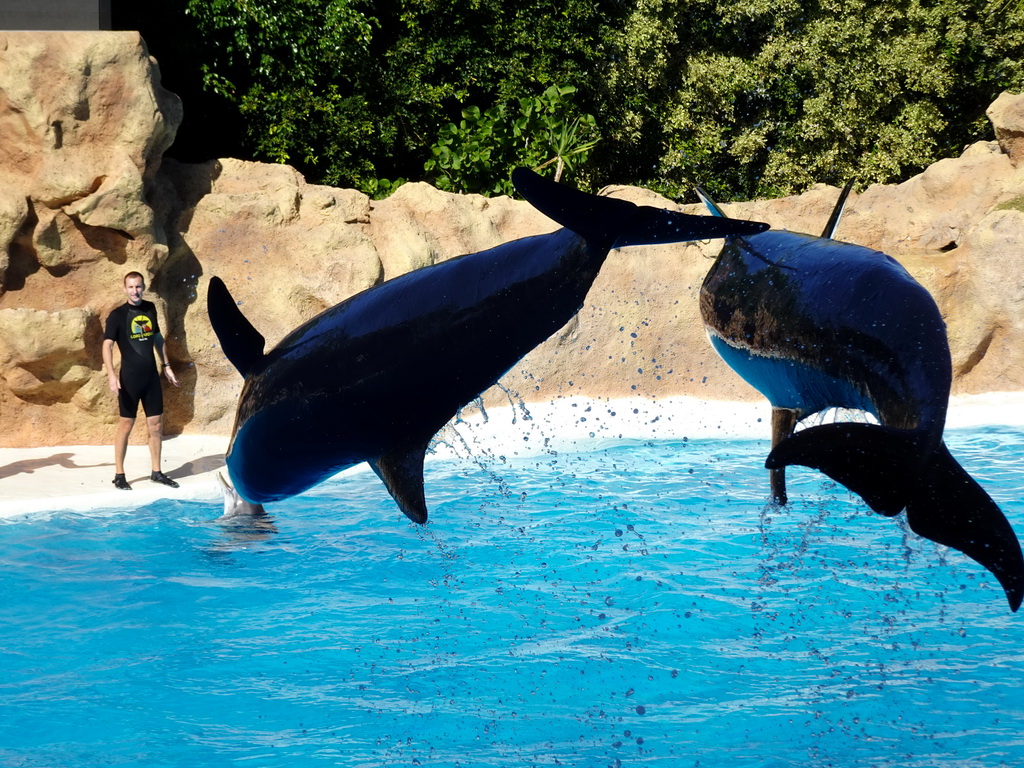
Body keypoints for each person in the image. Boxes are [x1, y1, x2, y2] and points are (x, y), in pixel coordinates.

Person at [102, 271, 181, 490]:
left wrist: (167, 366)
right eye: (131, 287)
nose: (135, 291)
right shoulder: (117, 315)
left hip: (150, 377)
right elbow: (107, 345)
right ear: (124, 289)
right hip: (129, 378)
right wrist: (111, 374)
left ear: (143, 287)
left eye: (138, 287)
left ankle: (156, 472)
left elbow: (156, 337)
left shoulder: (149, 308)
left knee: (155, 425)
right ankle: (119, 474)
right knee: (126, 425)